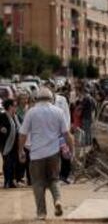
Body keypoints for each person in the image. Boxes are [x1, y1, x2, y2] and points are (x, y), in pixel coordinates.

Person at [18, 87, 74, 220]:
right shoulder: (58, 112)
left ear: (36, 99)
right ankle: (57, 200)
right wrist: (72, 150)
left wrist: (20, 150)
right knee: (54, 179)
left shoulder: (31, 112)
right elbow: (67, 134)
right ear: (51, 98)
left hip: (36, 154)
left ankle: (41, 213)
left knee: (38, 183)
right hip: (53, 154)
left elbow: (22, 134)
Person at [0, 99, 20, 188]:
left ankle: (11, 181)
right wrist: (1, 128)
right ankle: (7, 181)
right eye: (14, 106)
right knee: (7, 162)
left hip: (15, 143)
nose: (16, 108)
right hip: (5, 143)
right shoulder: (2, 115)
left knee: (13, 162)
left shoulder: (15, 117)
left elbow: (19, 128)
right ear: (10, 107)